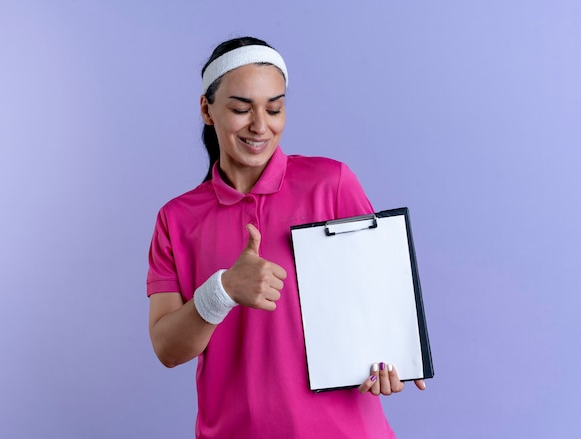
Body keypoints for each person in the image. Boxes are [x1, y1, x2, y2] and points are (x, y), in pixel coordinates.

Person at [146, 36, 425, 439]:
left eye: (274, 108)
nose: (261, 125)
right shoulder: (177, 219)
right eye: (241, 109)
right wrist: (222, 291)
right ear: (207, 110)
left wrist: (395, 359)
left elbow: (377, 303)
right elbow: (168, 349)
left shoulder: (331, 183)